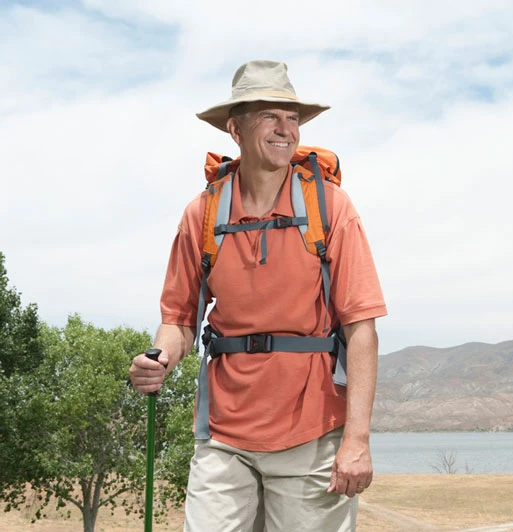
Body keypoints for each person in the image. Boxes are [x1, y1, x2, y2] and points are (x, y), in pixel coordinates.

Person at [128, 60, 387, 531]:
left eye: (292, 118)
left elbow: (362, 328)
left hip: (312, 433)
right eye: (270, 116)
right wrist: (160, 359)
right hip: (223, 436)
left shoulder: (330, 207)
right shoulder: (202, 214)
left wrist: (357, 441)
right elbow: (179, 319)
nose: (285, 129)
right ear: (235, 128)